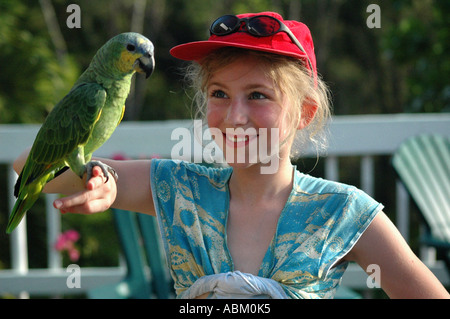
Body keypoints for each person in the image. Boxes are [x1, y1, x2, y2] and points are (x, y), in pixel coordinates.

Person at [14, 12, 449, 299]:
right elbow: (26, 169)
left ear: (305, 113)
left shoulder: (343, 213)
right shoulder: (177, 188)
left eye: (257, 95)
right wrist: (97, 177)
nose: (235, 116)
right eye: (219, 94)